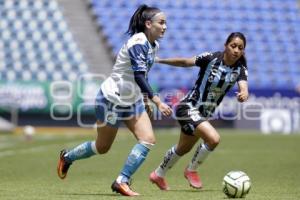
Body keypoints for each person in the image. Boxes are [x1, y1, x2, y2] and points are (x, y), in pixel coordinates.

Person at [57, 4, 172, 196]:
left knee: (148, 139)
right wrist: (157, 101)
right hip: (111, 99)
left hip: (132, 101)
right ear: (148, 24)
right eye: (162, 22)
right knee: (102, 147)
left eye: (166, 23)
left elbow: (144, 74)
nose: (165, 27)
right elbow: (138, 76)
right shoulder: (137, 42)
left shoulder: (154, 45)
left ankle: (121, 181)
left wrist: (144, 99)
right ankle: (67, 157)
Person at [149, 32, 249, 190]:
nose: (236, 50)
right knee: (213, 139)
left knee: (183, 148)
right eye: (233, 46)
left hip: (203, 114)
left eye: (240, 48)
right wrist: (160, 60)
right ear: (226, 46)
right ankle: (191, 170)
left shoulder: (240, 69)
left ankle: (158, 174)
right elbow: (185, 62)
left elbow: (244, 86)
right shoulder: (211, 58)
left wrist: (244, 94)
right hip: (188, 107)